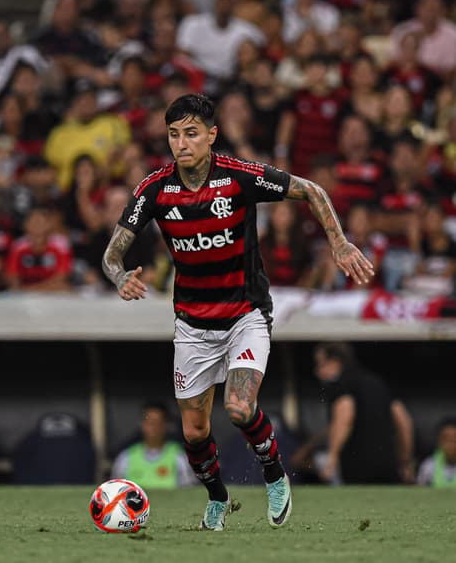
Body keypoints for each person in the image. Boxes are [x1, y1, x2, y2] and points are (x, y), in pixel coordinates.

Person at [103, 93, 374, 531]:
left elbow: (312, 190)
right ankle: (217, 498)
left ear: (211, 135)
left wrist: (339, 242)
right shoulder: (153, 189)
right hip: (192, 325)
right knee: (193, 432)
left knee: (239, 407)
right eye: (174, 135)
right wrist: (118, 278)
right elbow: (112, 255)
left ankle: (274, 475)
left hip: (246, 315)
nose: (181, 143)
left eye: (191, 133)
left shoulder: (239, 177)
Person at [312, 342, 415, 484]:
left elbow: (345, 416)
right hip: (389, 465)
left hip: (358, 466)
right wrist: (405, 460)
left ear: (334, 362)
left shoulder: (340, 385)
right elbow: (403, 421)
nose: (317, 371)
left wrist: (332, 457)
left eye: (320, 364)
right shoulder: (378, 382)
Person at [110, 402, 195, 489]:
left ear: (166, 425)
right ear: (142, 424)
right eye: (149, 422)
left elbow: (188, 490)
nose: (154, 427)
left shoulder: (179, 456)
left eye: (158, 422)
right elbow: (116, 492)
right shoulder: (125, 457)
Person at [417, 418, 456, 488]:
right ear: (439, 442)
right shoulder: (428, 466)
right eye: (446, 440)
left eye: (454, 440)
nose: (451, 444)